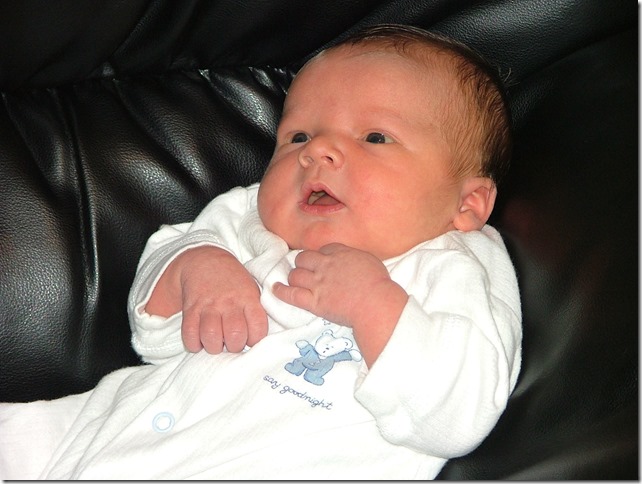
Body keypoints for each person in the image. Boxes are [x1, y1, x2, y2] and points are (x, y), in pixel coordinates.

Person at [0, 24, 521, 480]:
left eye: (375, 137)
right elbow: (152, 327)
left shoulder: (457, 264)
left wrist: (373, 304)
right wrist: (199, 266)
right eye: (298, 135)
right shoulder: (250, 216)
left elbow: (457, 414)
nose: (317, 150)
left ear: (467, 205)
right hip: (90, 433)